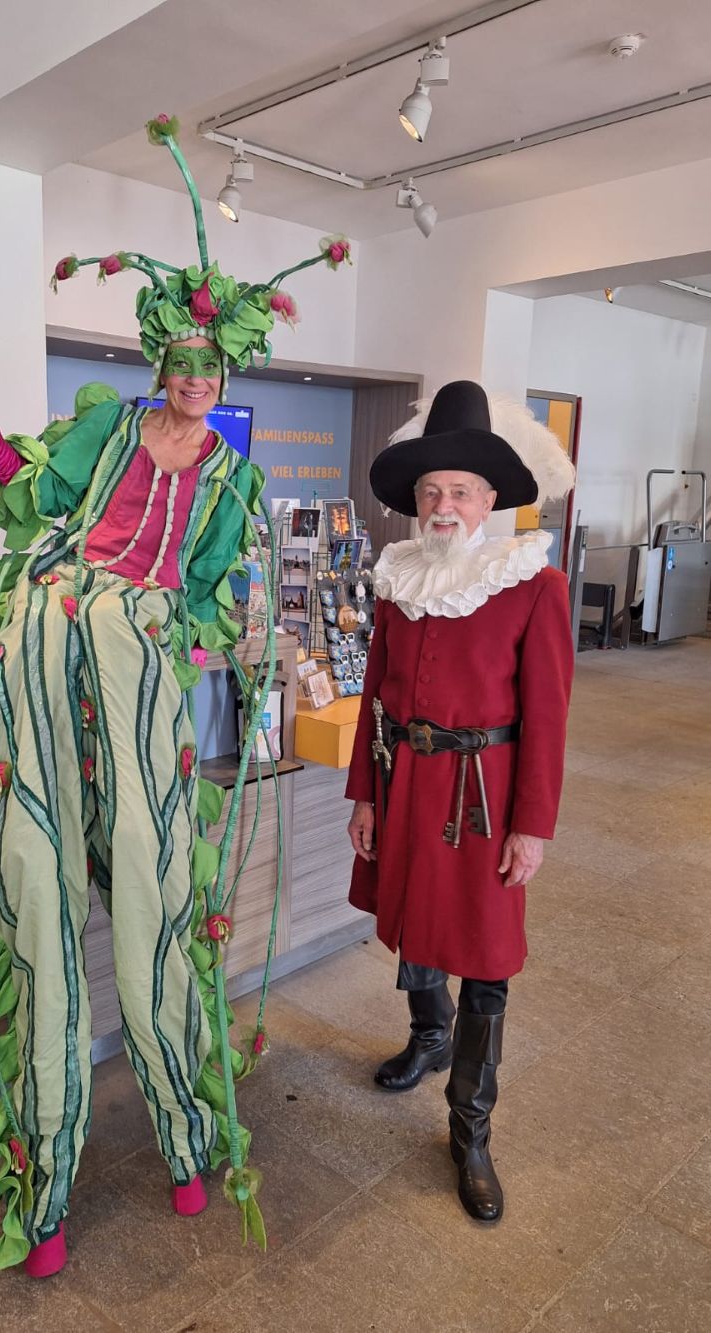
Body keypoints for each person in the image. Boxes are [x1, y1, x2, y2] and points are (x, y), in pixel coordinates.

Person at [0, 112, 352, 1277]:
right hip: (43, 644)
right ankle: (46, 1182)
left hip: (137, 677)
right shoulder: (106, 430)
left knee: (158, 912)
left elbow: (216, 588)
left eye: (203, 372)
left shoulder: (230, 475)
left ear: (222, 375)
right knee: (35, 898)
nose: (186, 385)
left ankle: (184, 1134)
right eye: (173, 368)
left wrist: (217, 628)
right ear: (154, 366)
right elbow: (31, 489)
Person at [345, 380, 575, 1224]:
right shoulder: (399, 579)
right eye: (431, 491)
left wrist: (534, 825)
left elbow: (548, 715)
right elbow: (376, 697)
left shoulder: (532, 585)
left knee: (484, 954)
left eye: (461, 491)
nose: (444, 504)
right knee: (413, 922)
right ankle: (427, 1034)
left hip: (482, 800)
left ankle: (471, 1128)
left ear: (489, 500)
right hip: (405, 785)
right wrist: (366, 794)